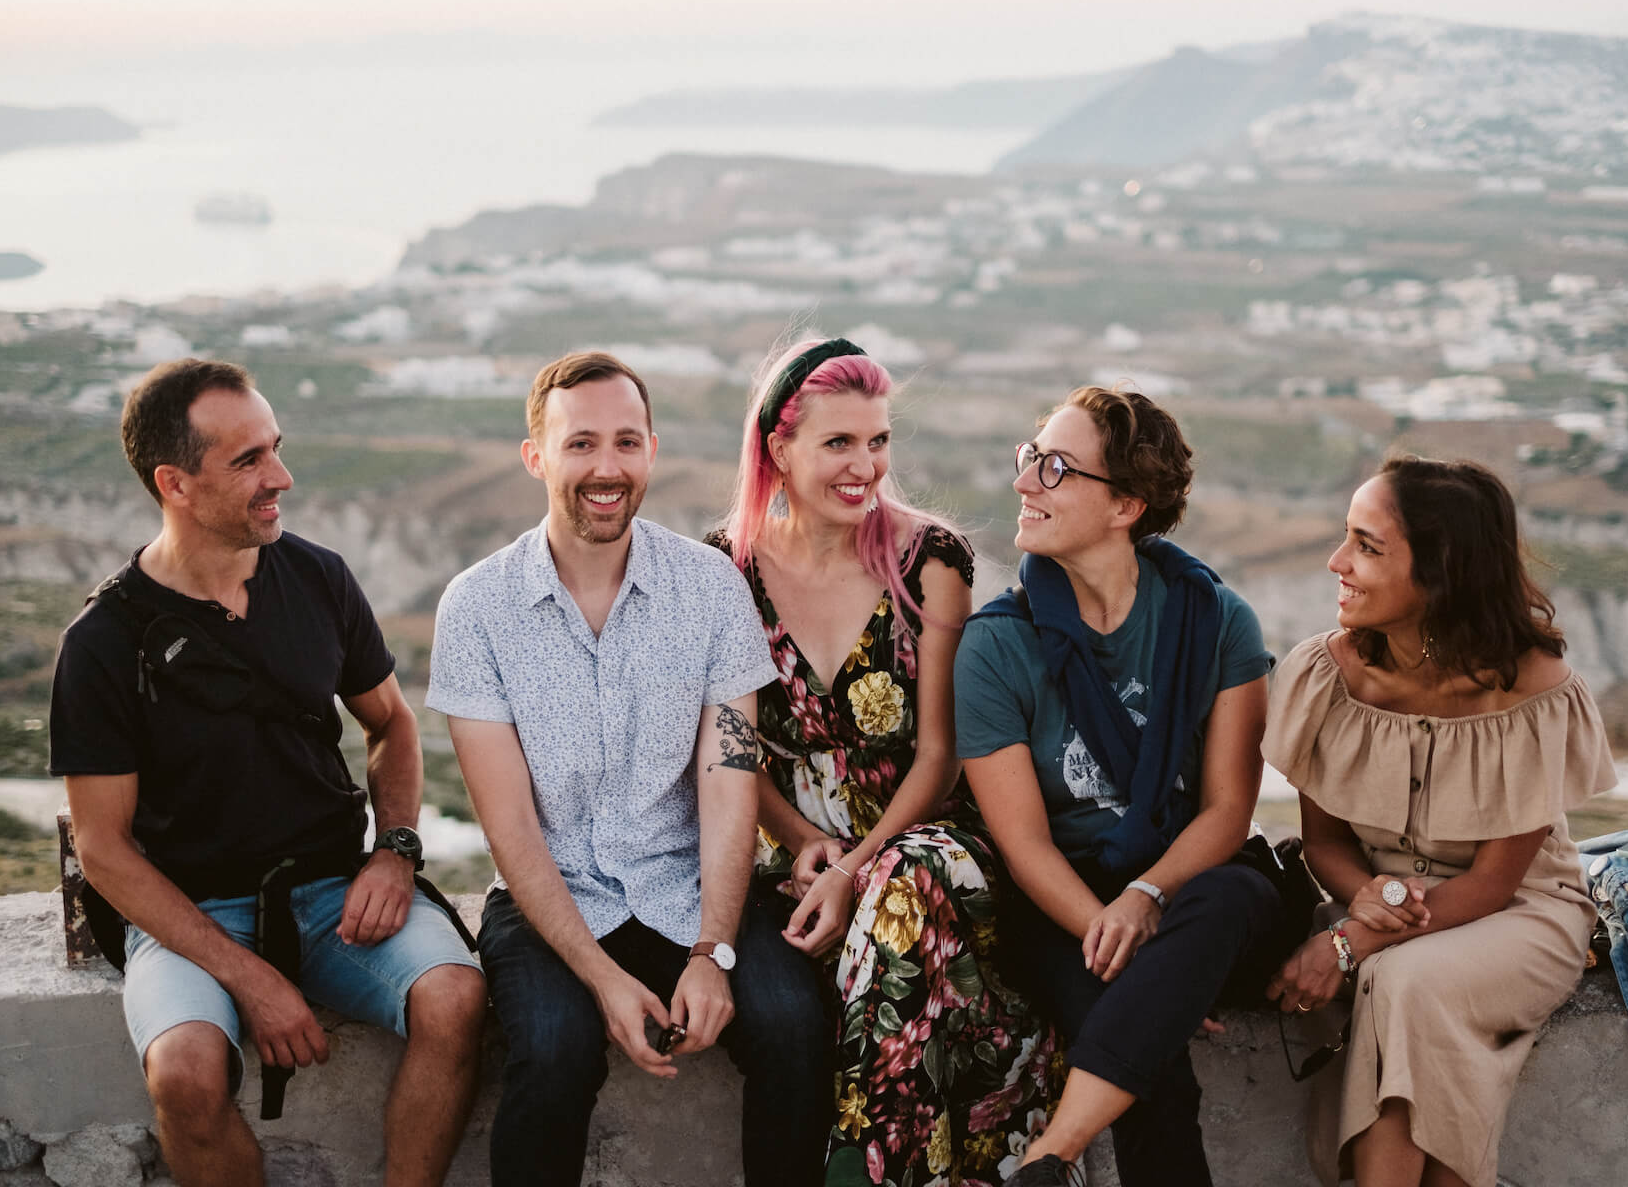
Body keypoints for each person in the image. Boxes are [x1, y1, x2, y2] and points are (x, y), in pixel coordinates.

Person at [49, 358, 486, 1187]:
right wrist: (247, 976)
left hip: (330, 889)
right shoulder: (103, 643)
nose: (280, 477)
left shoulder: (317, 577)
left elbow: (390, 721)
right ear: (174, 483)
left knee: (457, 999)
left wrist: (394, 850)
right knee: (183, 1073)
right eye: (246, 460)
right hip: (187, 908)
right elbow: (104, 851)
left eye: (274, 449)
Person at [426, 350, 833, 1187]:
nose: (605, 468)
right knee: (551, 1047)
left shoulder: (711, 587)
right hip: (553, 894)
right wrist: (602, 979)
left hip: (690, 883)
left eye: (625, 442)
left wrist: (713, 951)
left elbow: (730, 785)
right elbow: (511, 834)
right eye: (580, 445)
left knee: (795, 1023)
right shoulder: (477, 608)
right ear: (537, 457)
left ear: (651, 449)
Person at [708, 336, 1062, 1186]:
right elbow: (730, 746)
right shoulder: (725, 568)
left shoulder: (928, 561)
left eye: (878, 441)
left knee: (899, 892)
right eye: (838, 443)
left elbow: (940, 758)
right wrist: (800, 843)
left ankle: (858, 1170)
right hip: (788, 856)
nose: (864, 465)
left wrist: (852, 870)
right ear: (778, 449)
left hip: (925, 845)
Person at [955, 385, 1286, 1187]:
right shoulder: (997, 646)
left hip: (1190, 897)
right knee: (1153, 1067)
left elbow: (1228, 810)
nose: (1025, 483)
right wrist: (1114, 927)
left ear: (1126, 505)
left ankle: (1048, 1156)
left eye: (1057, 468)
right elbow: (1025, 843)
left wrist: (1148, 897)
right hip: (1064, 910)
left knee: (1230, 895)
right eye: (1030, 458)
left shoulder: (1216, 622)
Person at [1262, 455, 1616, 1187]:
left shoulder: (1534, 689)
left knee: (1406, 981)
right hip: (1371, 903)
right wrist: (1363, 904)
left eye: (1367, 546)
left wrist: (1353, 936)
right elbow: (1323, 843)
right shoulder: (1324, 677)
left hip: (1522, 915)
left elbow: (1492, 885)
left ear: (1442, 570)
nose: (1337, 563)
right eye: (1346, 538)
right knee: (1404, 982)